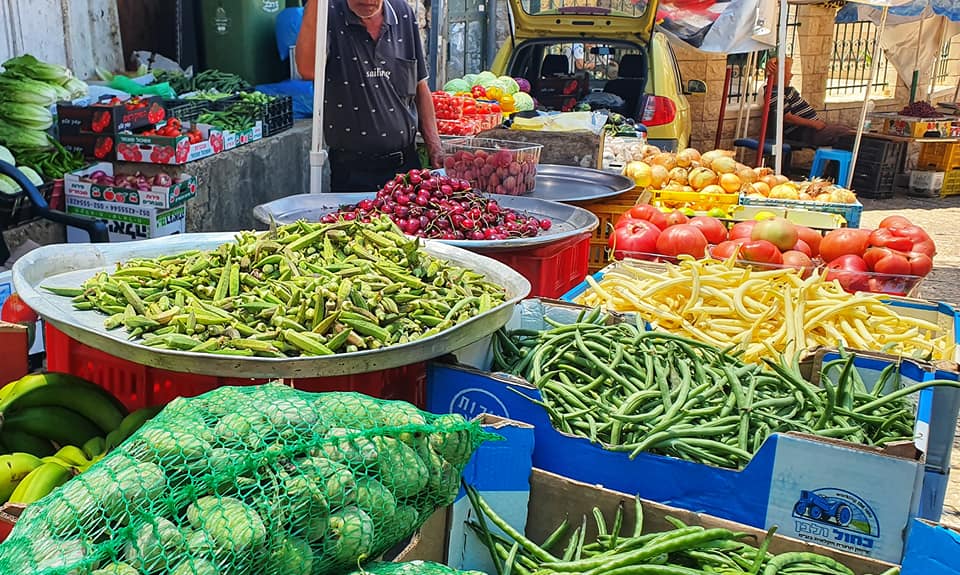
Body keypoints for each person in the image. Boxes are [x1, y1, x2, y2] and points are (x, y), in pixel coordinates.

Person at [295, 0, 442, 192]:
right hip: (352, 172)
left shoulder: (402, 12)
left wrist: (435, 146)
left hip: (406, 167)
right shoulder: (326, 12)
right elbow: (308, 69)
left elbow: (419, 85)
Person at [766, 57, 851, 147]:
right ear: (778, 75)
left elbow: (787, 59)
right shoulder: (774, 92)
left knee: (847, 130)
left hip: (812, 128)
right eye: (788, 72)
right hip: (804, 131)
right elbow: (787, 117)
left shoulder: (786, 90)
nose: (791, 75)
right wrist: (814, 124)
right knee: (844, 133)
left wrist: (774, 60)